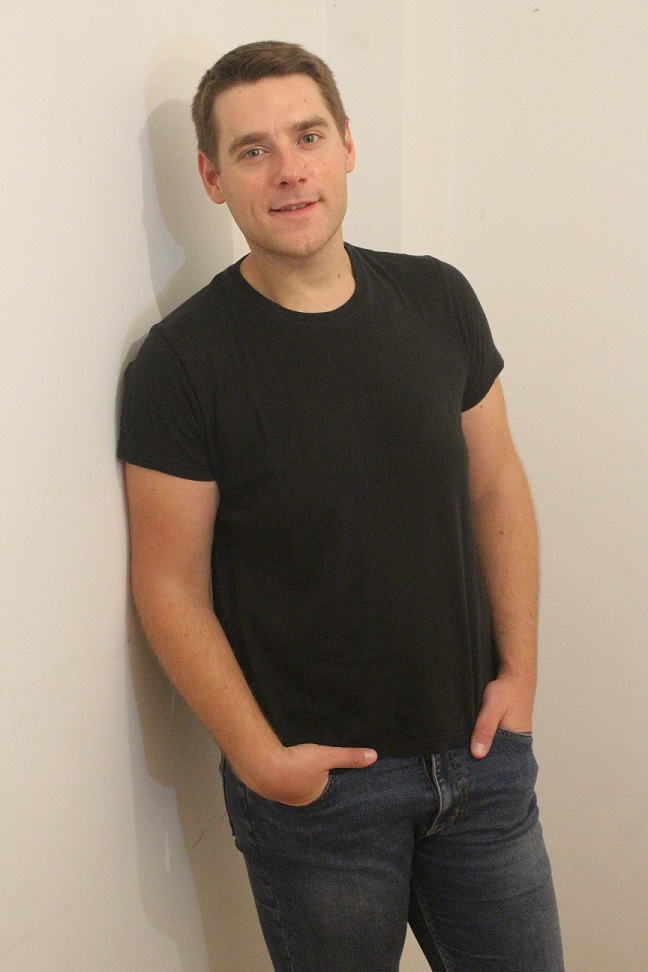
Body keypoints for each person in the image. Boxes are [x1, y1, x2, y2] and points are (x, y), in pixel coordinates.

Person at [119, 40, 564, 972]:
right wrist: (260, 760)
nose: (289, 170)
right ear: (212, 177)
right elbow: (167, 585)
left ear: (348, 146)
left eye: (308, 136)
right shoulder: (181, 363)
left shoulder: (438, 298)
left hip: (481, 763)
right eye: (252, 150)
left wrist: (519, 674)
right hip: (320, 801)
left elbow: (496, 484)